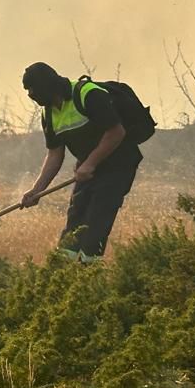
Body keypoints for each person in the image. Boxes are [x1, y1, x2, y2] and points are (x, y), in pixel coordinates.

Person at [18, 62, 143, 261]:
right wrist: (37, 190)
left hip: (117, 166)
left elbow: (116, 132)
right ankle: (62, 271)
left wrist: (90, 163)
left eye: (32, 89)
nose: (30, 95)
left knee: (95, 224)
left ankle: (89, 272)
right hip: (86, 171)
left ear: (47, 86)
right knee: (74, 225)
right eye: (27, 91)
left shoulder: (88, 94)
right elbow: (55, 154)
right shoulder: (48, 113)